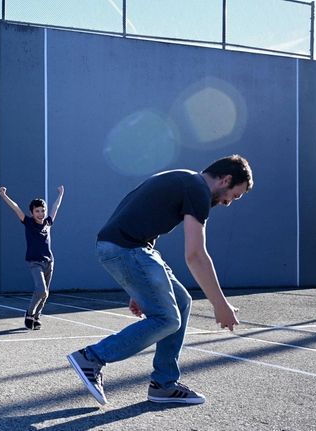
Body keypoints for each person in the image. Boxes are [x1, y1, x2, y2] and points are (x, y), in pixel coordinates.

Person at [67, 155, 253, 406]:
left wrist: (139, 290)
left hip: (128, 247)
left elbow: (139, 217)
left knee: (182, 301)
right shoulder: (198, 189)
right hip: (127, 249)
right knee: (167, 319)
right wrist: (220, 304)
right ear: (225, 179)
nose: (229, 203)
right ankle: (92, 357)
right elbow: (196, 255)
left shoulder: (183, 179)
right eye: (235, 195)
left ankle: (164, 384)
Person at [0, 185, 64, 330]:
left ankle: (36, 317)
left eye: (42, 211)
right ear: (32, 212)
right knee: (42, 290)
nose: (40, 213)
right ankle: (29, 314)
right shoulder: (28, 223)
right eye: (37, 211)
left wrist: (60, 194)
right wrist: (4, 196)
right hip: (35, 262)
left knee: (45, 294)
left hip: (49, 262)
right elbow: (15, 208)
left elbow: (56, 207)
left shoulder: (48, 223)